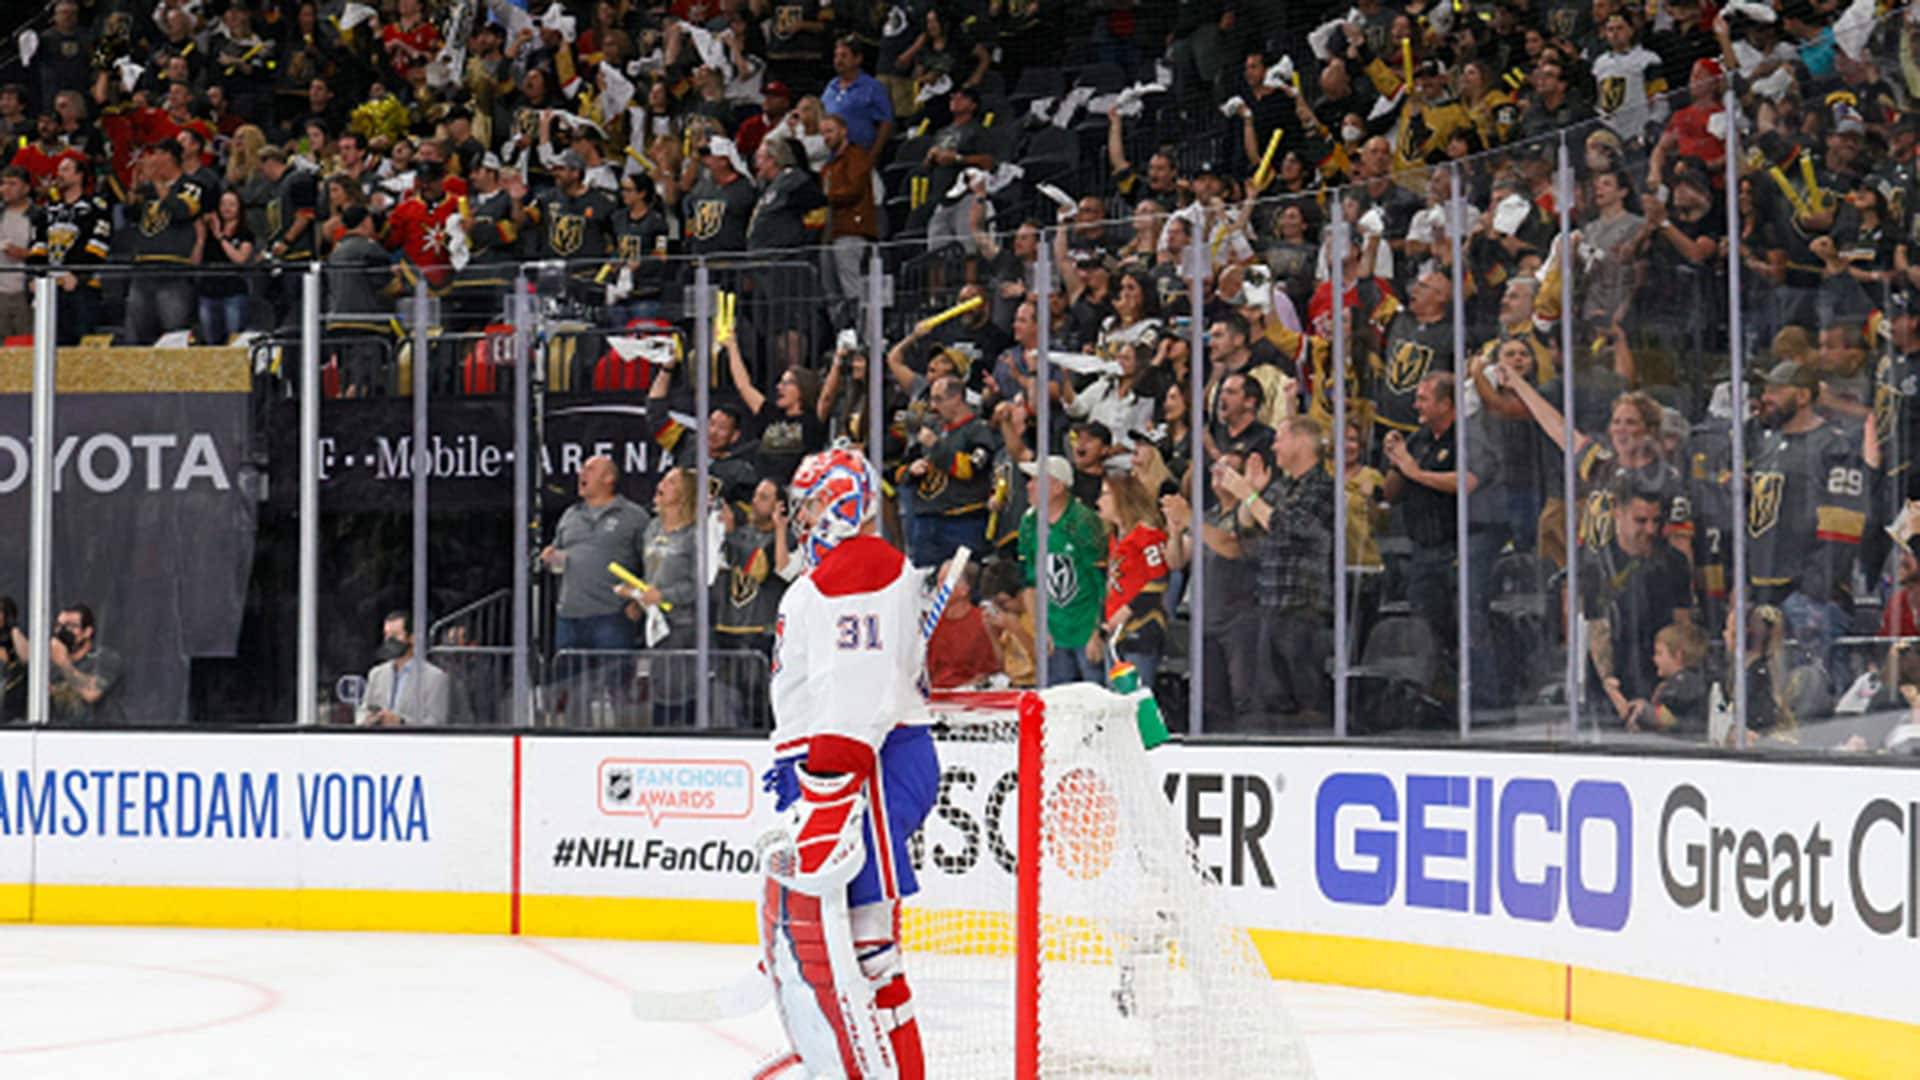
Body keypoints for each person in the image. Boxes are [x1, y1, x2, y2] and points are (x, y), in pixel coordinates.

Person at [759, 445, 933, 1079]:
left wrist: (827, 788)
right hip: (840, 769)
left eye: (812, 506)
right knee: (833, 950)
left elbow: (856, 697)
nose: (802, 521)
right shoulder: (827, 578)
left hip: (870, 770)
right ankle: (841, 1062)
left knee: (870, 953)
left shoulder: (862, 569)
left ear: (843, 504)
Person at [541, 455, 651, 651]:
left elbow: (652, 563)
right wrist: (551, 558)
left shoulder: (633, 516)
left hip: (613, 616)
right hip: (569, 617)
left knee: (613, 679)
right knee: (568, 681)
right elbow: (557, 560)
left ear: (608, 478)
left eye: (590, 469)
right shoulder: (570, 515)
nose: (581, 473)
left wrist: (638, 601)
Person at [1017, 455, 1109, 686]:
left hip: (1086, 628)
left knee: (1095, 703)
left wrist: (1097, 632)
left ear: (1058, 487)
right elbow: (1030, 583)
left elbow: (1101, 581)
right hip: (1053, 631)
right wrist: (1040, 629)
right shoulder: (1029, 523)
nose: (1029, 485)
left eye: (1037, 480)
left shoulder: (1083, 521)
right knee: (1056, 706)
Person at [1094, 472, 1169, 691]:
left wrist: (1125, 612)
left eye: (1106, 494)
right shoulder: (1115, 538)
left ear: (1122, 498)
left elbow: (1159, 580)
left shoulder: (1146, 535)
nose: (1099, 501)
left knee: (1134, 702)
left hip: (1141, 628)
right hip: (1115, 632)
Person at [355, 611, 451, 726]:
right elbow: (363, 711)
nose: (389, 641)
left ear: (411, 638)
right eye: (387, 635)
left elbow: (436, 722)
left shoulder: (434, 678)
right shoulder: (376, 674)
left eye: (395, 635)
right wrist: (369, 719)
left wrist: (401, 722)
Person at [49, 604, 127, 726]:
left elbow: (91, 693)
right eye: (59, 626)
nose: (63, 631)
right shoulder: (50, 662)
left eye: (71, 626)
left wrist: (63, 662)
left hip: (98, 734)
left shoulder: (105, 658)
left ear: (87, 632)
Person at [926, 558, 999, 689]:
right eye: (939, 580)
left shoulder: (983, 622)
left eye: (945, 581)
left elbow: (990, 671)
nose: (939, 587)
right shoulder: (929, 622)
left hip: (969, 696)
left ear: (964, 589)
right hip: (931, 695)